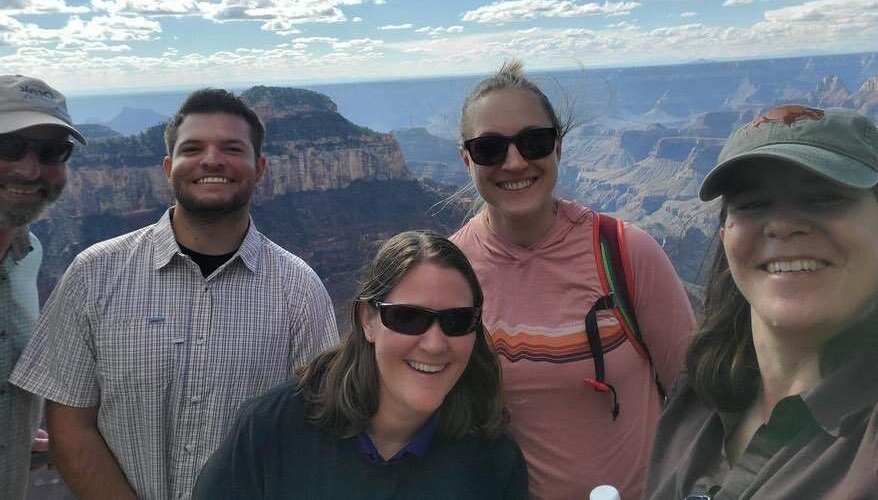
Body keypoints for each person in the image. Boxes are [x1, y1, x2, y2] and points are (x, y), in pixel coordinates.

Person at [11, 88, 339, 500]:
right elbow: (68, 421)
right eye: (193, 148)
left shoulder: (299, 289)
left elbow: (318, 430)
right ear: (169, 167)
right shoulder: (94, 273)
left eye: (232, 148)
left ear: (260, 168)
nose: (212, 160)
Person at [450, 61, 696, 500]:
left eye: (533, 142)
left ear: (558, 148)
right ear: (466, 157)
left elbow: (696, 396)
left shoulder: (624, 253)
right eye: (489, 148)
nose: (514, 162)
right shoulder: (452, 272)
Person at [644, 104, 878, 499]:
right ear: (725, 238)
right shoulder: (696, 397)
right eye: (752, 204)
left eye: (824, 197)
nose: (783, 225)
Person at [193, 230, 528, 499]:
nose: (435, 344)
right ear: (367, 320)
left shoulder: (492, 462)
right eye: (408, 318)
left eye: (457, 321)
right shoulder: (272, 431)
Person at [0, 75, 85, 499]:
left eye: (52, 151)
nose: (29, 169)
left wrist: (11, 434)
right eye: (8, 146)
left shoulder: (26, 254)